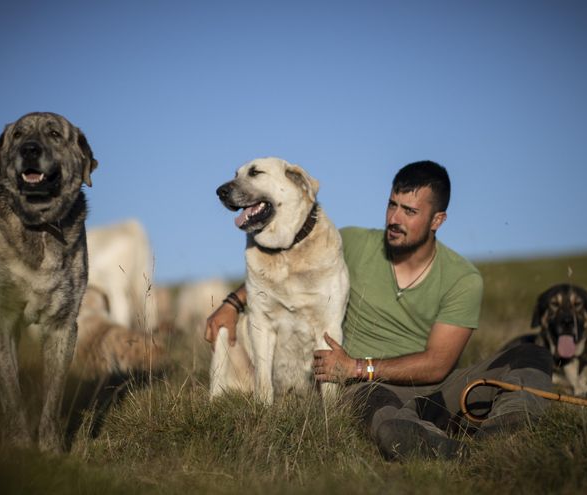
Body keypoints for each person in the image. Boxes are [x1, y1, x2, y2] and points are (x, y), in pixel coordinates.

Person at [205, 160, 552, 461]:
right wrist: (233, 303)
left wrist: (357, 366)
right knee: (383, 417)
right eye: (392, 205)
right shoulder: (352, 243)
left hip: (434, 388)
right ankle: (438, 448)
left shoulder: (463, 278)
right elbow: (284, 268)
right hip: (368, 390)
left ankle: (505, 433)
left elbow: (438, 364)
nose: (395, 219)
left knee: (530, 355)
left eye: (410, 211)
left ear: (438, 220)